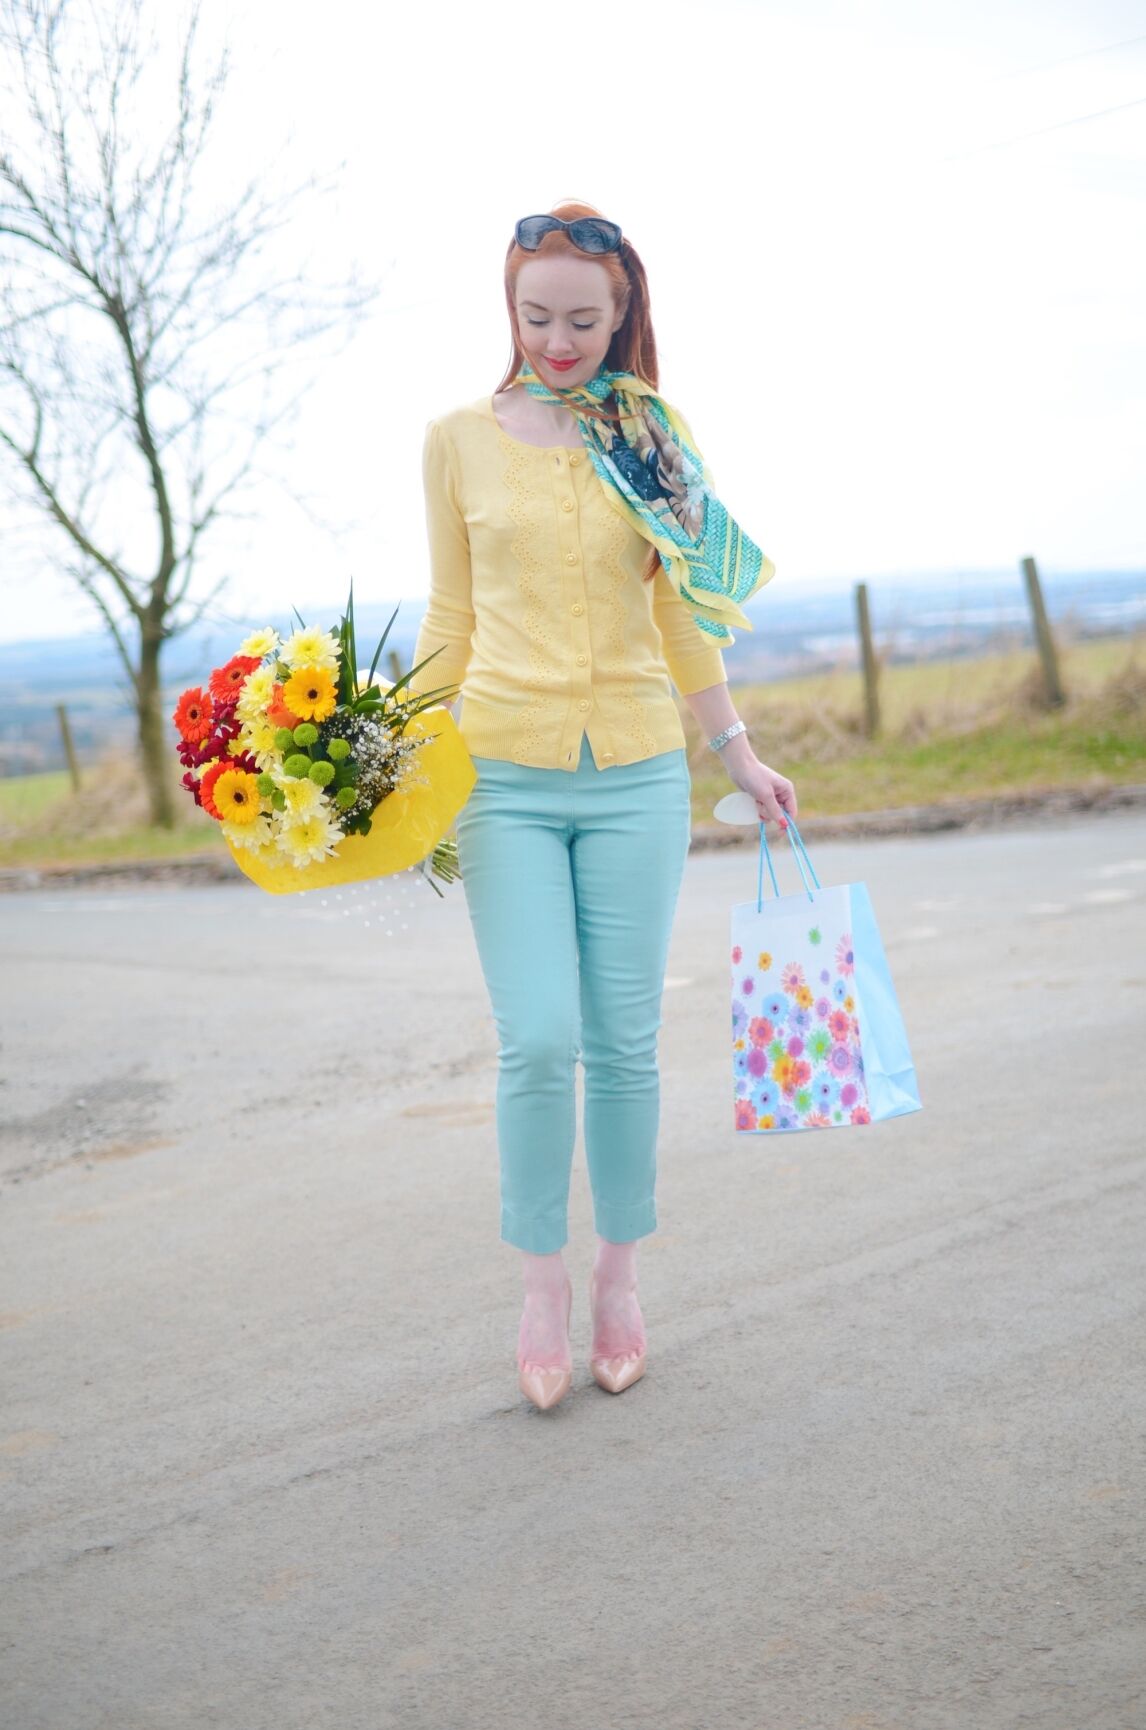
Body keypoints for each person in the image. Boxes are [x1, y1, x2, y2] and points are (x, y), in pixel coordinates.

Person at [408, 200, 797, 1411]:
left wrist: (735, 748)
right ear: (509, 309)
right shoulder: (455, 441)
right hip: (501, 778)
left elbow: (680, 606)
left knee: (623, 1042)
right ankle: (541, 1289)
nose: (559, 340)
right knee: (537, 1037)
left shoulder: (650, 434)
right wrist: (391, 762)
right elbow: (449, 619)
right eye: (537, 317)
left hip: (634, 775)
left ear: (624, 314)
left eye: (584, 318)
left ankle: (621, 1278)